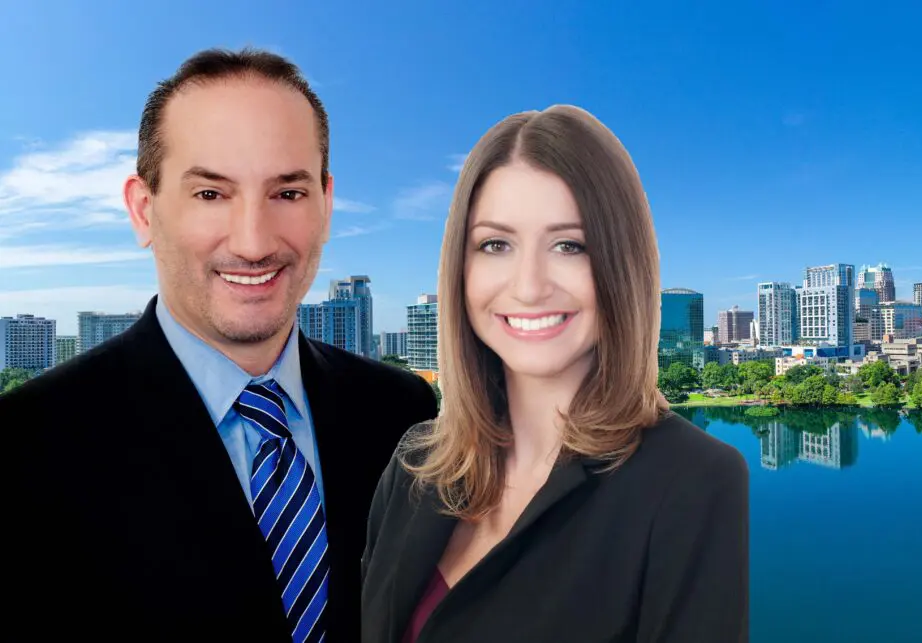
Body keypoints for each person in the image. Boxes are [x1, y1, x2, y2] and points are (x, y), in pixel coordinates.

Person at [0, 48, 439, 641]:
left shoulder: (402, 414)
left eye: (288, 193)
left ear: (327, 205)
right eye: (211, 194)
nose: (254, 242)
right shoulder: (28, 445)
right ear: (143, 209)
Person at [359, 105, 748, 643]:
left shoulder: (694, 483)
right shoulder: (416, 464)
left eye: (570, 245)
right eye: (496, 244)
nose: (529, 285)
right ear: (461, 267)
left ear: (621, 264)